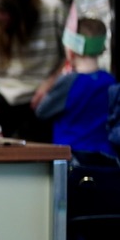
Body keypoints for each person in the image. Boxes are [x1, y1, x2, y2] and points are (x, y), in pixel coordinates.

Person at [0, 0, 66, 141]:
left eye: (8, 18)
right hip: (3, 97)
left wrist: (50, 83)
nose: (3, 22)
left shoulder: (52, 8)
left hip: (43, 97)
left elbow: (69, 55)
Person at [35, 17, 117, 164]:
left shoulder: (67, 81)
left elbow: (42, 111)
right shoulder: (110, 81)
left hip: (71, 156)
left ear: (71, 49)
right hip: (106, 157)